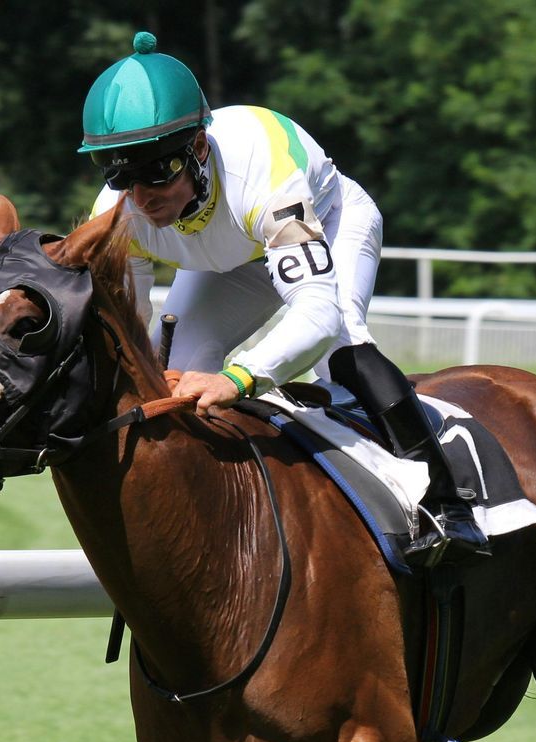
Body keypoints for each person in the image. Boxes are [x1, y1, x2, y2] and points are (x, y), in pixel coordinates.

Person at [80, 32, 488, 566]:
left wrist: (238, 378)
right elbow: (129, 341)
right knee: (168, 370)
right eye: (121, 174)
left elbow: (315, 315)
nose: (142, 195)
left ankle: (446, 498)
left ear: (199, 148)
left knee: (339, 349)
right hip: (230, 262)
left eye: (159, 169)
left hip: (329, 221)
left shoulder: (264, 172)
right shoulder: (114, 216)